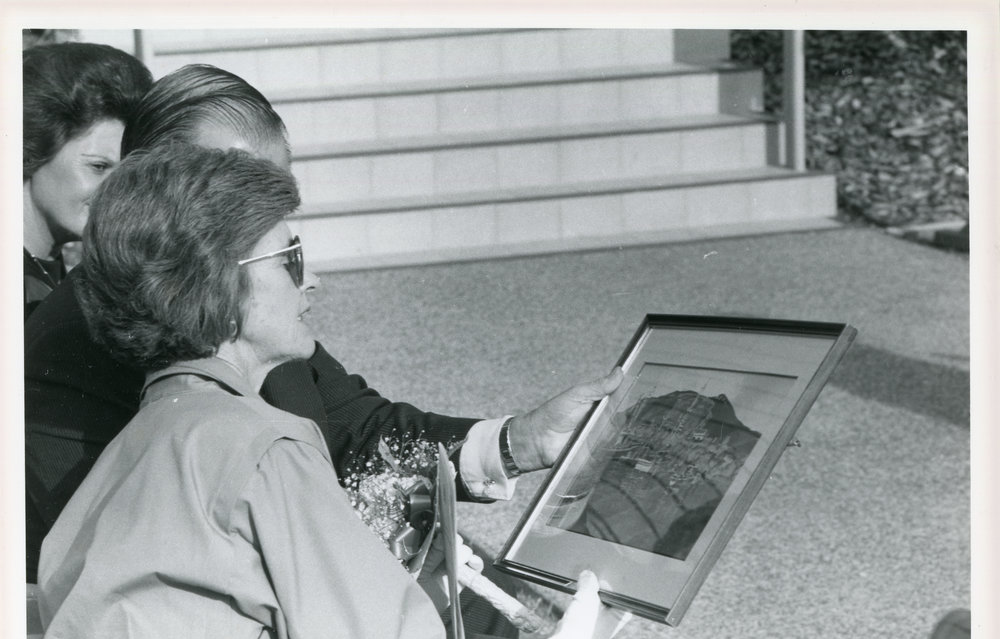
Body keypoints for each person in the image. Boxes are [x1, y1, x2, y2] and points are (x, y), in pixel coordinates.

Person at [32, 143, 630, 639]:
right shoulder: (263, 446)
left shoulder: (134, 446)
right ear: (221, 285)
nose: (312, 278)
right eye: (290, 260)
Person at [24, 64, 621, 598]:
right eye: (236, 201)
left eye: (274, 202)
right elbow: (151, 582)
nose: (274, 234)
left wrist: (521, 441)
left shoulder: (255, 314)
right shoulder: (67, 350)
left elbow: (359, 429)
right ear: (153, 194)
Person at [22, 41, 153, 318]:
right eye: (98, 166)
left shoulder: (45, 267)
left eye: (127, 173)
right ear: (32, 151)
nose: (118, 191)